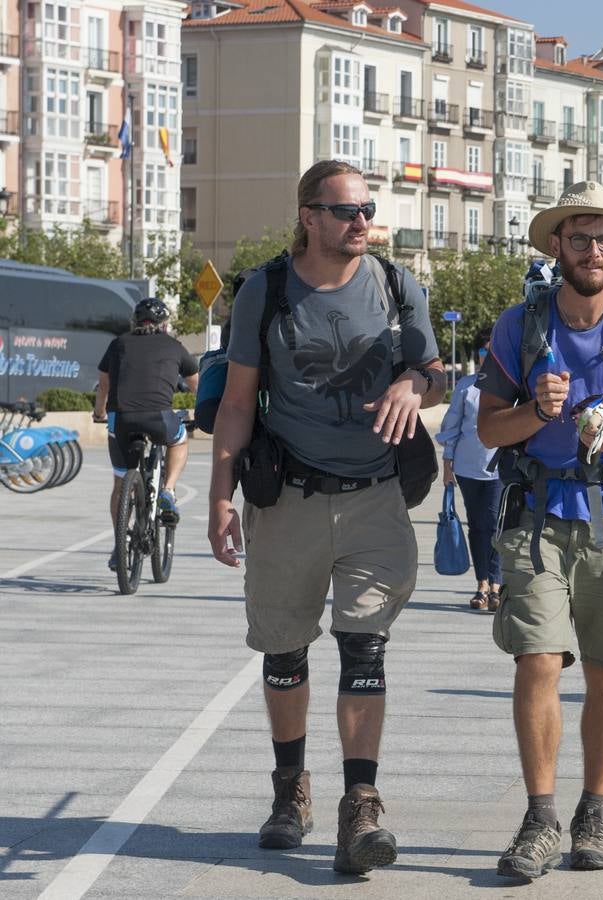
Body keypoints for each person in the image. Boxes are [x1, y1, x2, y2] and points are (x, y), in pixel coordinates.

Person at [206, 160, 445, 874]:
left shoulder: (400, 285)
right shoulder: (266, 290)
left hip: (375, 495)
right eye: (347, 211)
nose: (362, 221)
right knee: (283, 652)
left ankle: (360, 804)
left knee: (364, 649)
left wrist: (414, 381)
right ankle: (290, 791)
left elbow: (436, 374)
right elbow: (238, 401)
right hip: (289, 498)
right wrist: (221, 493)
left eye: (368, 208)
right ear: (309, 215)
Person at [476, 181, 603, 881]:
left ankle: (594, 810)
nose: (593, 250)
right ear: (556, 245)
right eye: (579, 237)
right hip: (535, 517)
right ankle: (539, 817)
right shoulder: (517, 327)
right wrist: (537, 409)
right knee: (537, 659)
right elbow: (488, 429)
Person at [92, 298, 199, 570]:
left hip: (121, 420)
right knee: (179, 440)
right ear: (165, 324)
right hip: (159, 417)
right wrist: (204, 412)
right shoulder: (174, 346)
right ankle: (168, 490)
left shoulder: (118, 344)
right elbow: (197, 384)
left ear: (135, 322)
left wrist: (99, 413)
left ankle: (120, 545)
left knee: (119, 484)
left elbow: (103, 383)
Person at [438, 328, 502, 610]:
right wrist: (447, 465)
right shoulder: (466, 386)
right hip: (467, 467)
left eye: (493, 351)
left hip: (499, 470)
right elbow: (451, 428)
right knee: (477, 526)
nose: (488, 356)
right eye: (484, 351)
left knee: (494, 525)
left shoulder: (511, 387)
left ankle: (497, 584)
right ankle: (482, 586)